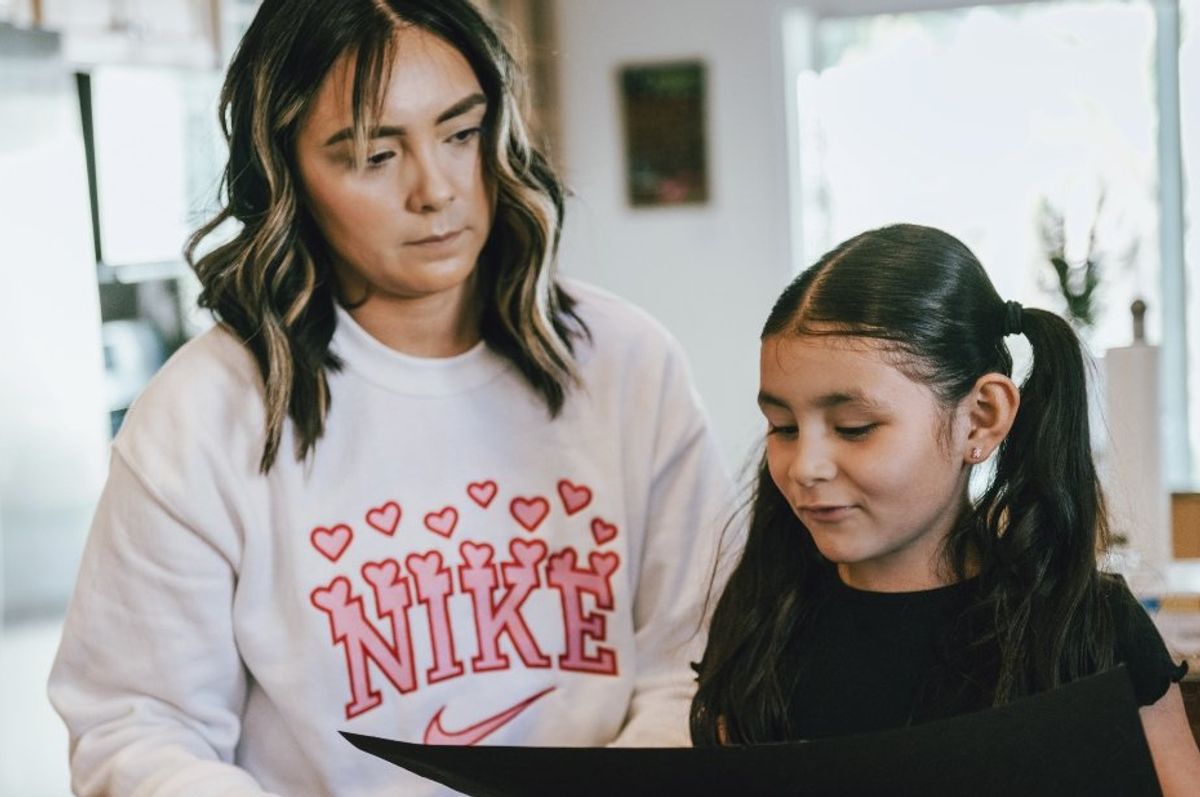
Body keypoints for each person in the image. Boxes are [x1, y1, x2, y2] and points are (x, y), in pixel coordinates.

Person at [48, 1, 731, 794]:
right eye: (375, 154)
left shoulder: (626, 363)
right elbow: (137, 725)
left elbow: (697, 661)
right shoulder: (203, 414)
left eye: (460, 133)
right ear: (286, 172)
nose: (436, 188)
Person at [689, 224, 1200, 794]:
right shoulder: (764, 625)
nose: (804, 465)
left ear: (981, 417)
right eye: (783, 427)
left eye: (854, 428)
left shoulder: (1083, 628)